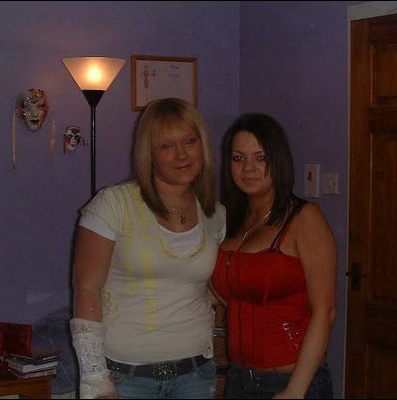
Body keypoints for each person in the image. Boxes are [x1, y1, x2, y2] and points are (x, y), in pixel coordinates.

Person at [69, 97, 226, 399]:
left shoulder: (215, 214)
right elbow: (86, 289)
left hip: (195, 374)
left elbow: (208, 289)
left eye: (189, 141)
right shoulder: (113, 204)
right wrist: (94, 377)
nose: (182, 154)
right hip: (127, 378)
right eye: (166, 146)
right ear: (149, 154)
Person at [210, 112, 337, 399]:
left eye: (261, 157)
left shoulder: (304, 218)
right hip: (238, 378)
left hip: (291, 381)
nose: (248, 168)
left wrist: (296, 390)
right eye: (238, 158)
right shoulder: (231, 221)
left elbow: (325, 312)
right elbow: (222, 292)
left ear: (278, 161)